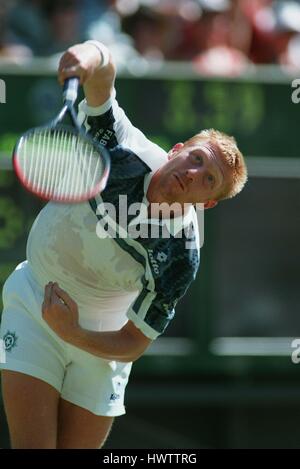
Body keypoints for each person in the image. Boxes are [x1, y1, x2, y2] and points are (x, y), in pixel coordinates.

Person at [0, 40, 247, 449]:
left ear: (207, 202)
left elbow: (133, 341)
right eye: (198, 159)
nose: (194, 172)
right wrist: (91, 54)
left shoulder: (181, 254)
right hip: (33, 303)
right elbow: (103, 79)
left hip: (101, 345)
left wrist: (74, 333)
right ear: (178, 150)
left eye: (208, 179)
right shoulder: (121, 145)